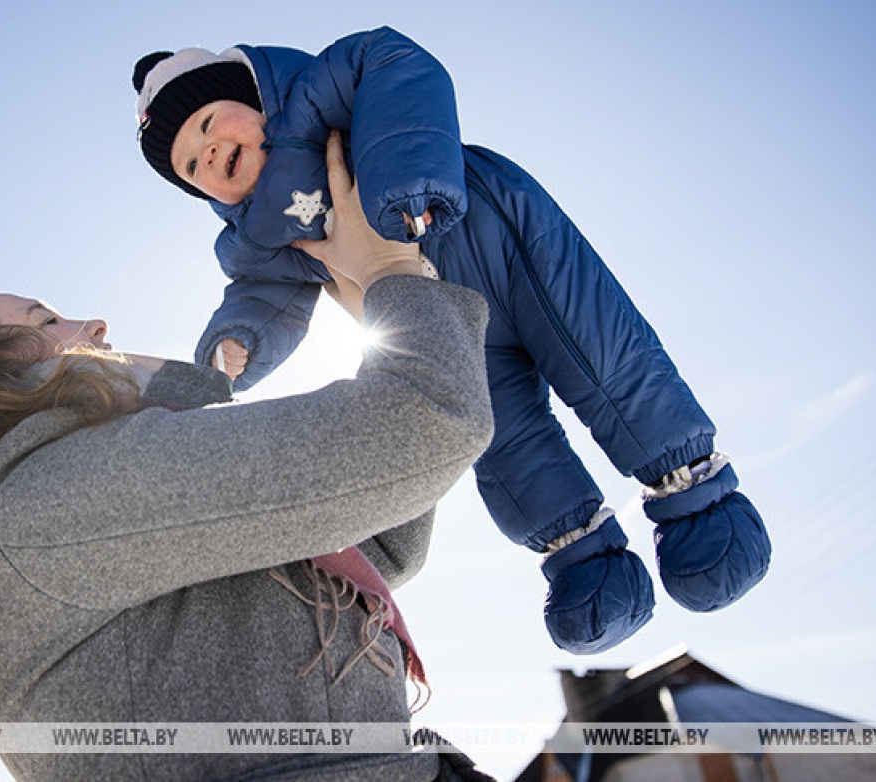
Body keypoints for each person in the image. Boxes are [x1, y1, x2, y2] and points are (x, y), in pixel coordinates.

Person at [0, 133, 498, 781]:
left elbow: (383, 538)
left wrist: (375, 315)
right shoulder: (41, 499)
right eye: (45, 320)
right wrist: (395, 279)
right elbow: (429, 423)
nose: (94, 326)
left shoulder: (94, 478)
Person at [132, 27, 771, 655]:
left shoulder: (317, 95)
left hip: (502, 238)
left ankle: (697, 495)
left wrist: (404, 176)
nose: (209, 153)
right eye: (191, 165)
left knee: (601, 356)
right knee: (495, 430)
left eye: (211, 121)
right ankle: (583, 556)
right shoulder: (256, 241)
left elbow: (395, 61)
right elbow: (261, 299)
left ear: (252, 93)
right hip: (433, 315)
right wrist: (233, 347)